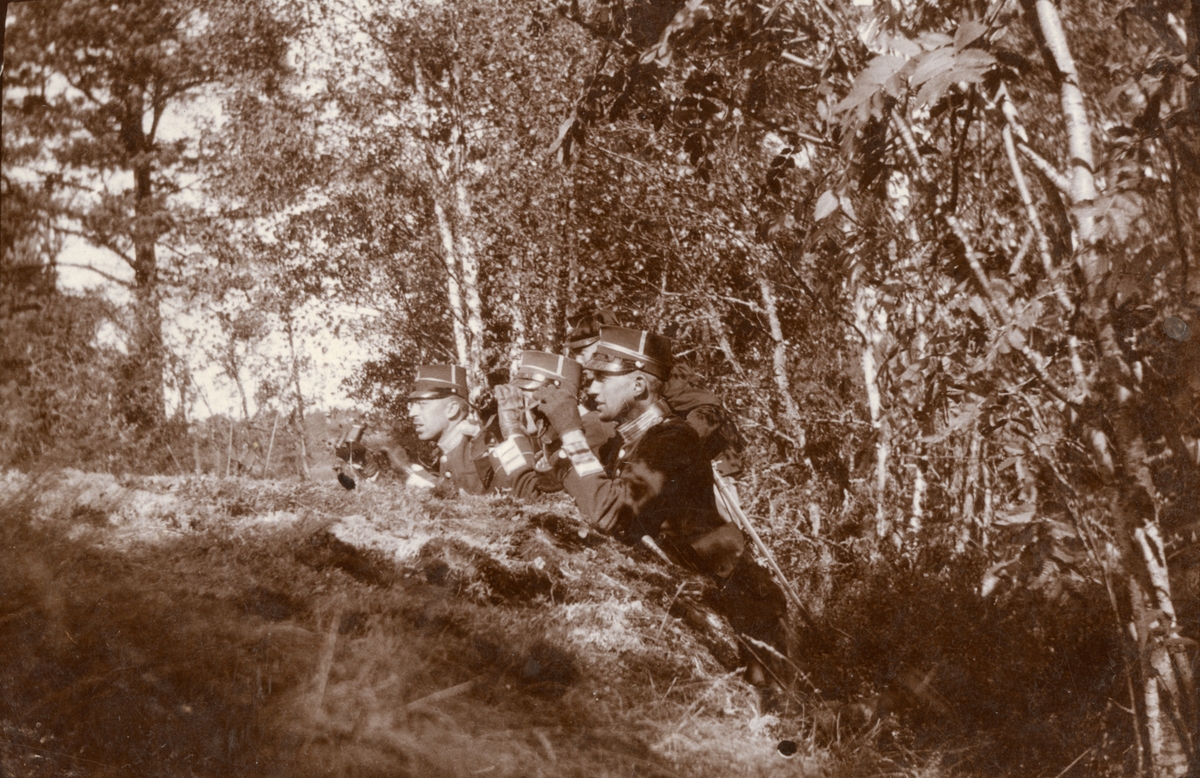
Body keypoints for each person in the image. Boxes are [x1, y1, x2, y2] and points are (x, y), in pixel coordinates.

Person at [518, 326, 788, 685]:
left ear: (638, 386)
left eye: (601, 378)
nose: (591, 389)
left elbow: (607, 511)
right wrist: (550, 433)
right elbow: (556, 488)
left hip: (742, 610)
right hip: (704, 603)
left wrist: (570, 430)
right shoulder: (628, 443)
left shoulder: (672, 439)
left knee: (770, 712)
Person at [381, 364, 499, 495]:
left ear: (451, 409)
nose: (412, 413)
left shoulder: (480, 447)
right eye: (412, 405)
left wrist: (407, 469)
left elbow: (463, 500)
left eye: (422, 404)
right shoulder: (451, 446)